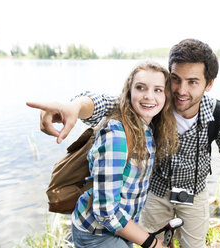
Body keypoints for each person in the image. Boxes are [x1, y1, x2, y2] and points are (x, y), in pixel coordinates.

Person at [29, 39, 220, 248]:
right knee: (144, 242)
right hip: (154, 194)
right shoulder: (155, 102)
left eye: (193, 82)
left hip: (194, 194)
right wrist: (72, 106)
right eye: (176, 79)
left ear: (209, 84)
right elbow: (104, 104)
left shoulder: (219, 114)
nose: (181, 90)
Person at [28, 61, 179, 248]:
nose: (149, 96)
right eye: (141, 87)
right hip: (97, 233)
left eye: (158, 90)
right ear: (129, 91)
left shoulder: (149, 126)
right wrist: (152, 243)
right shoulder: (116, 135)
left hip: (120, 227)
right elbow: (106, 211)